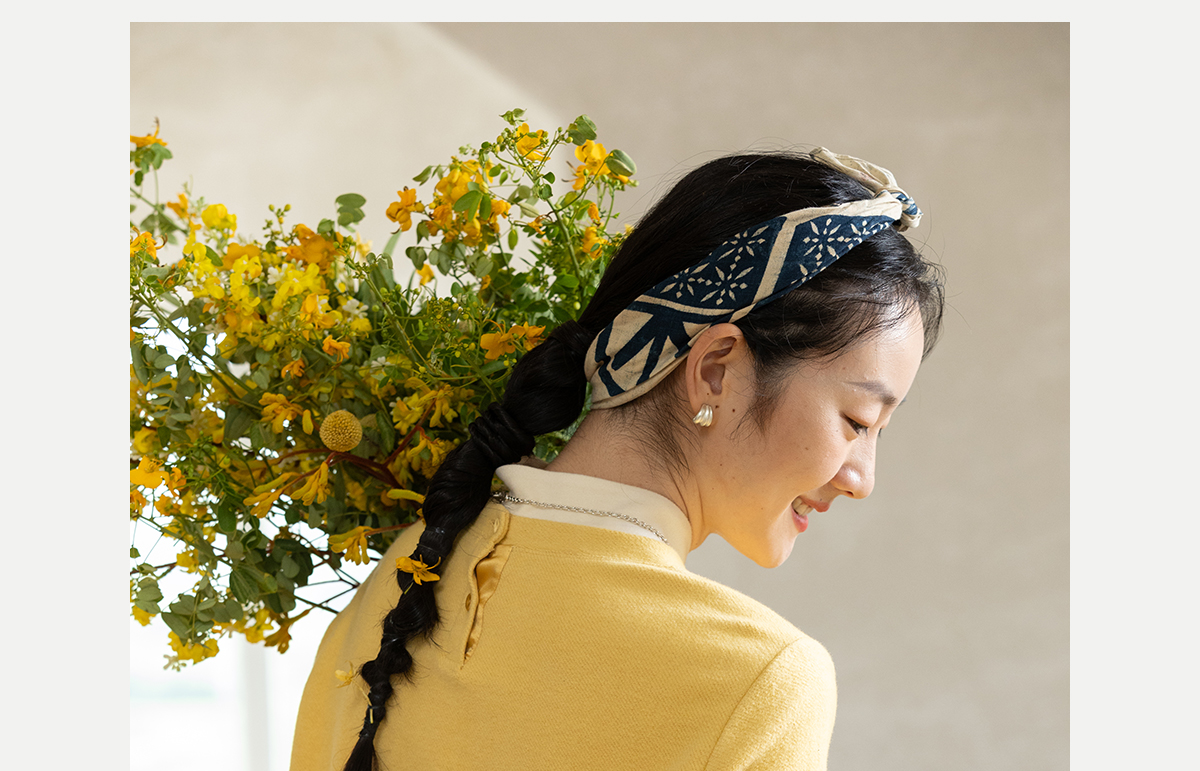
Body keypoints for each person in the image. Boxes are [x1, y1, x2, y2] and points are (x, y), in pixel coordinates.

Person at [290, 148, 945, 771]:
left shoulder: (405, 573)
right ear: (715, 370)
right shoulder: (758, 679)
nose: (862, 479)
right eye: (858, 421)